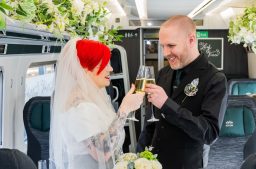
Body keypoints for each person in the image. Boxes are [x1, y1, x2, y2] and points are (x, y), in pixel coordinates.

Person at [137, 15, 228, 169]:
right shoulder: (163, 73)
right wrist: (138, 156)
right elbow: (151, 123)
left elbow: (209, 133)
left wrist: (167, 105)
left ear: (191, 40)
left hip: (184, 164)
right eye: (162, 46)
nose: (166, 53)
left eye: (171, 45)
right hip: (152, 162)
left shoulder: (215, 79)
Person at [50, 39, 144, 169]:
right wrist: (124, 109)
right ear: (86, 67)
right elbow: (102, 152)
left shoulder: (90, 99)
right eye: (105, 63)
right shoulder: (79, 107)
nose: (110, 68)